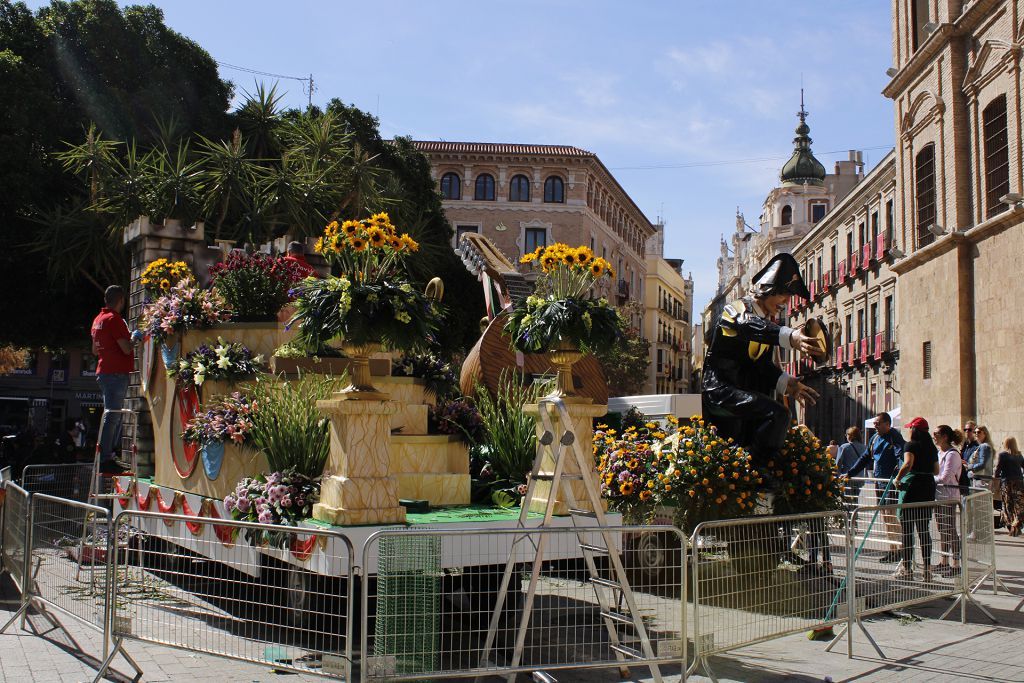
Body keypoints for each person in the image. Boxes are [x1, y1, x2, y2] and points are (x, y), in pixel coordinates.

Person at [702, 253, 820, 475]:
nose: (786, 304)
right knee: (778, 415)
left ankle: (751, 471)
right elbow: (746, 324)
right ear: (769, 289)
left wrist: (788, 384)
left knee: (769, 421)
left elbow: (763, 367)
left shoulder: (765, 323)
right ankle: (756, 472)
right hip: (720, 389)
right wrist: (791, 336)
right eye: (784, 296)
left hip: (740, 392)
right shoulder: (735, 310)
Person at [850, 412, 906, 562]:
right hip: (879, 482)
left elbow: (900, 456)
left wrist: (898, 474)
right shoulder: (874, 438)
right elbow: (865, 458)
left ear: (888, 424)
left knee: (891, 515)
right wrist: (850, 473)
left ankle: (902, 549)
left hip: (890, 483)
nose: (875, 425)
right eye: (875, 423)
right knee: (885, 516)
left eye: (878, 423)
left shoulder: (895, 437)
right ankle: (892, 549)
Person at [90, 285, 133, 473]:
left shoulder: (98, 320)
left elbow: (94, 350)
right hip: (115, 373)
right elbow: (126, 348)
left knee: (111, 415)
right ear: (121, 300)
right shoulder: (114, 320)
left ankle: (108, 456)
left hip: (104, 371)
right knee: (113, 416)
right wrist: (136, 338)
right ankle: (106, 458)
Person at [893, 417, 938, 582]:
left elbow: (908, 464)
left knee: (907, 530)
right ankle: (927, 570)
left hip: (912, 488)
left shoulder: (910, 445)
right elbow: (936, 470)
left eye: (909, 428)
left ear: (914, 430)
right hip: (927, 487)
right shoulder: (932, 448)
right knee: (923, 529)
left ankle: (907, 568)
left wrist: (897, 479)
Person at [932, 425, 963, 577]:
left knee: (950, 530)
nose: (934, 436)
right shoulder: (940, 452)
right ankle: (944, 561)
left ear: (945, 437)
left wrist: (928, 479)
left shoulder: (952, 454)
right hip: (939, 495)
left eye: (936, 434)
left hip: (949, 496)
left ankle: (956, 564)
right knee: (941, 529)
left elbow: (944, 477)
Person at [995, 437, 1024, 536]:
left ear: (1006, 444)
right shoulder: (1019, 455)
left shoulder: (1002, 455)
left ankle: (1012, 526)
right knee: (1019, 506)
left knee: (1008, 506)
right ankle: (1016, 524)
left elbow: (998, 470)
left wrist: (995, 477)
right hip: (1019, 483)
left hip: (1006, 483)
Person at [835, 426, 868, 503]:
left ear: (850, 435)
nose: (846, 436)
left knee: (847, 500)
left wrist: (837, 477)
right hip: (860, 477)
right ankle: (854, 514)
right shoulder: (864, 447)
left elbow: (838, 464)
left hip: (847, 477)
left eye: (846, 434)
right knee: (855, 500)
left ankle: (849, 514)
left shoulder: (844, 447)